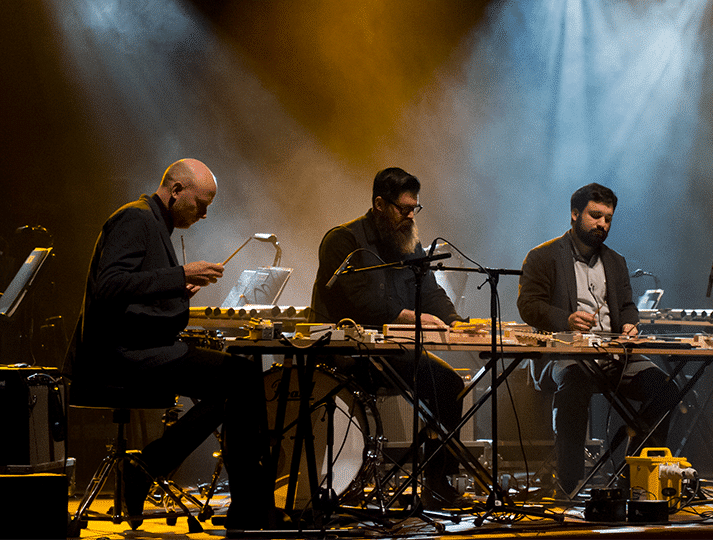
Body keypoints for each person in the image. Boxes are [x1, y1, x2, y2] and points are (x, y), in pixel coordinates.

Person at [67, 159, 273, 530]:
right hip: (119, 355)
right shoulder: (136, 219)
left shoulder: (152, 222)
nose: (205, 214)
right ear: (176, 190)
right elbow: (110, 286)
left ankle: (240, 503)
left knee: (237, 379)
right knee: (241, 376)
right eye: (201, 204)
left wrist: (177, 286)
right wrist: (179, 274)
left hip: (137, 349)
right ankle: (243, 505)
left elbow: (137, 287)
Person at [310, 166, 467, 508]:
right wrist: (412, 317)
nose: (411, 216)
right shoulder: (343, 240)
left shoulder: (410, 241)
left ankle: (437, 483)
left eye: (415, 209)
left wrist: (455, 322)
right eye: (404, 209)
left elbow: (430, 291)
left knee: (450, 386)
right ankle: (344, 483)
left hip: (389, 353)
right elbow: (360, 302)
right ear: (380, 204)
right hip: (345, 353)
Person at [517, 182, 680, 497]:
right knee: (575, 384)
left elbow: (628, 307)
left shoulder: (616, 261)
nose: (602, 224)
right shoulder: (543, 256)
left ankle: (631, 466)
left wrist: (631, 325)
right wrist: (565, 319)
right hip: (566, 354)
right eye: (595, 216)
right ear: (575, 214)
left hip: (615, 355)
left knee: (667, 390)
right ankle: (569, 482)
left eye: (608, 218)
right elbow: (528, 306)